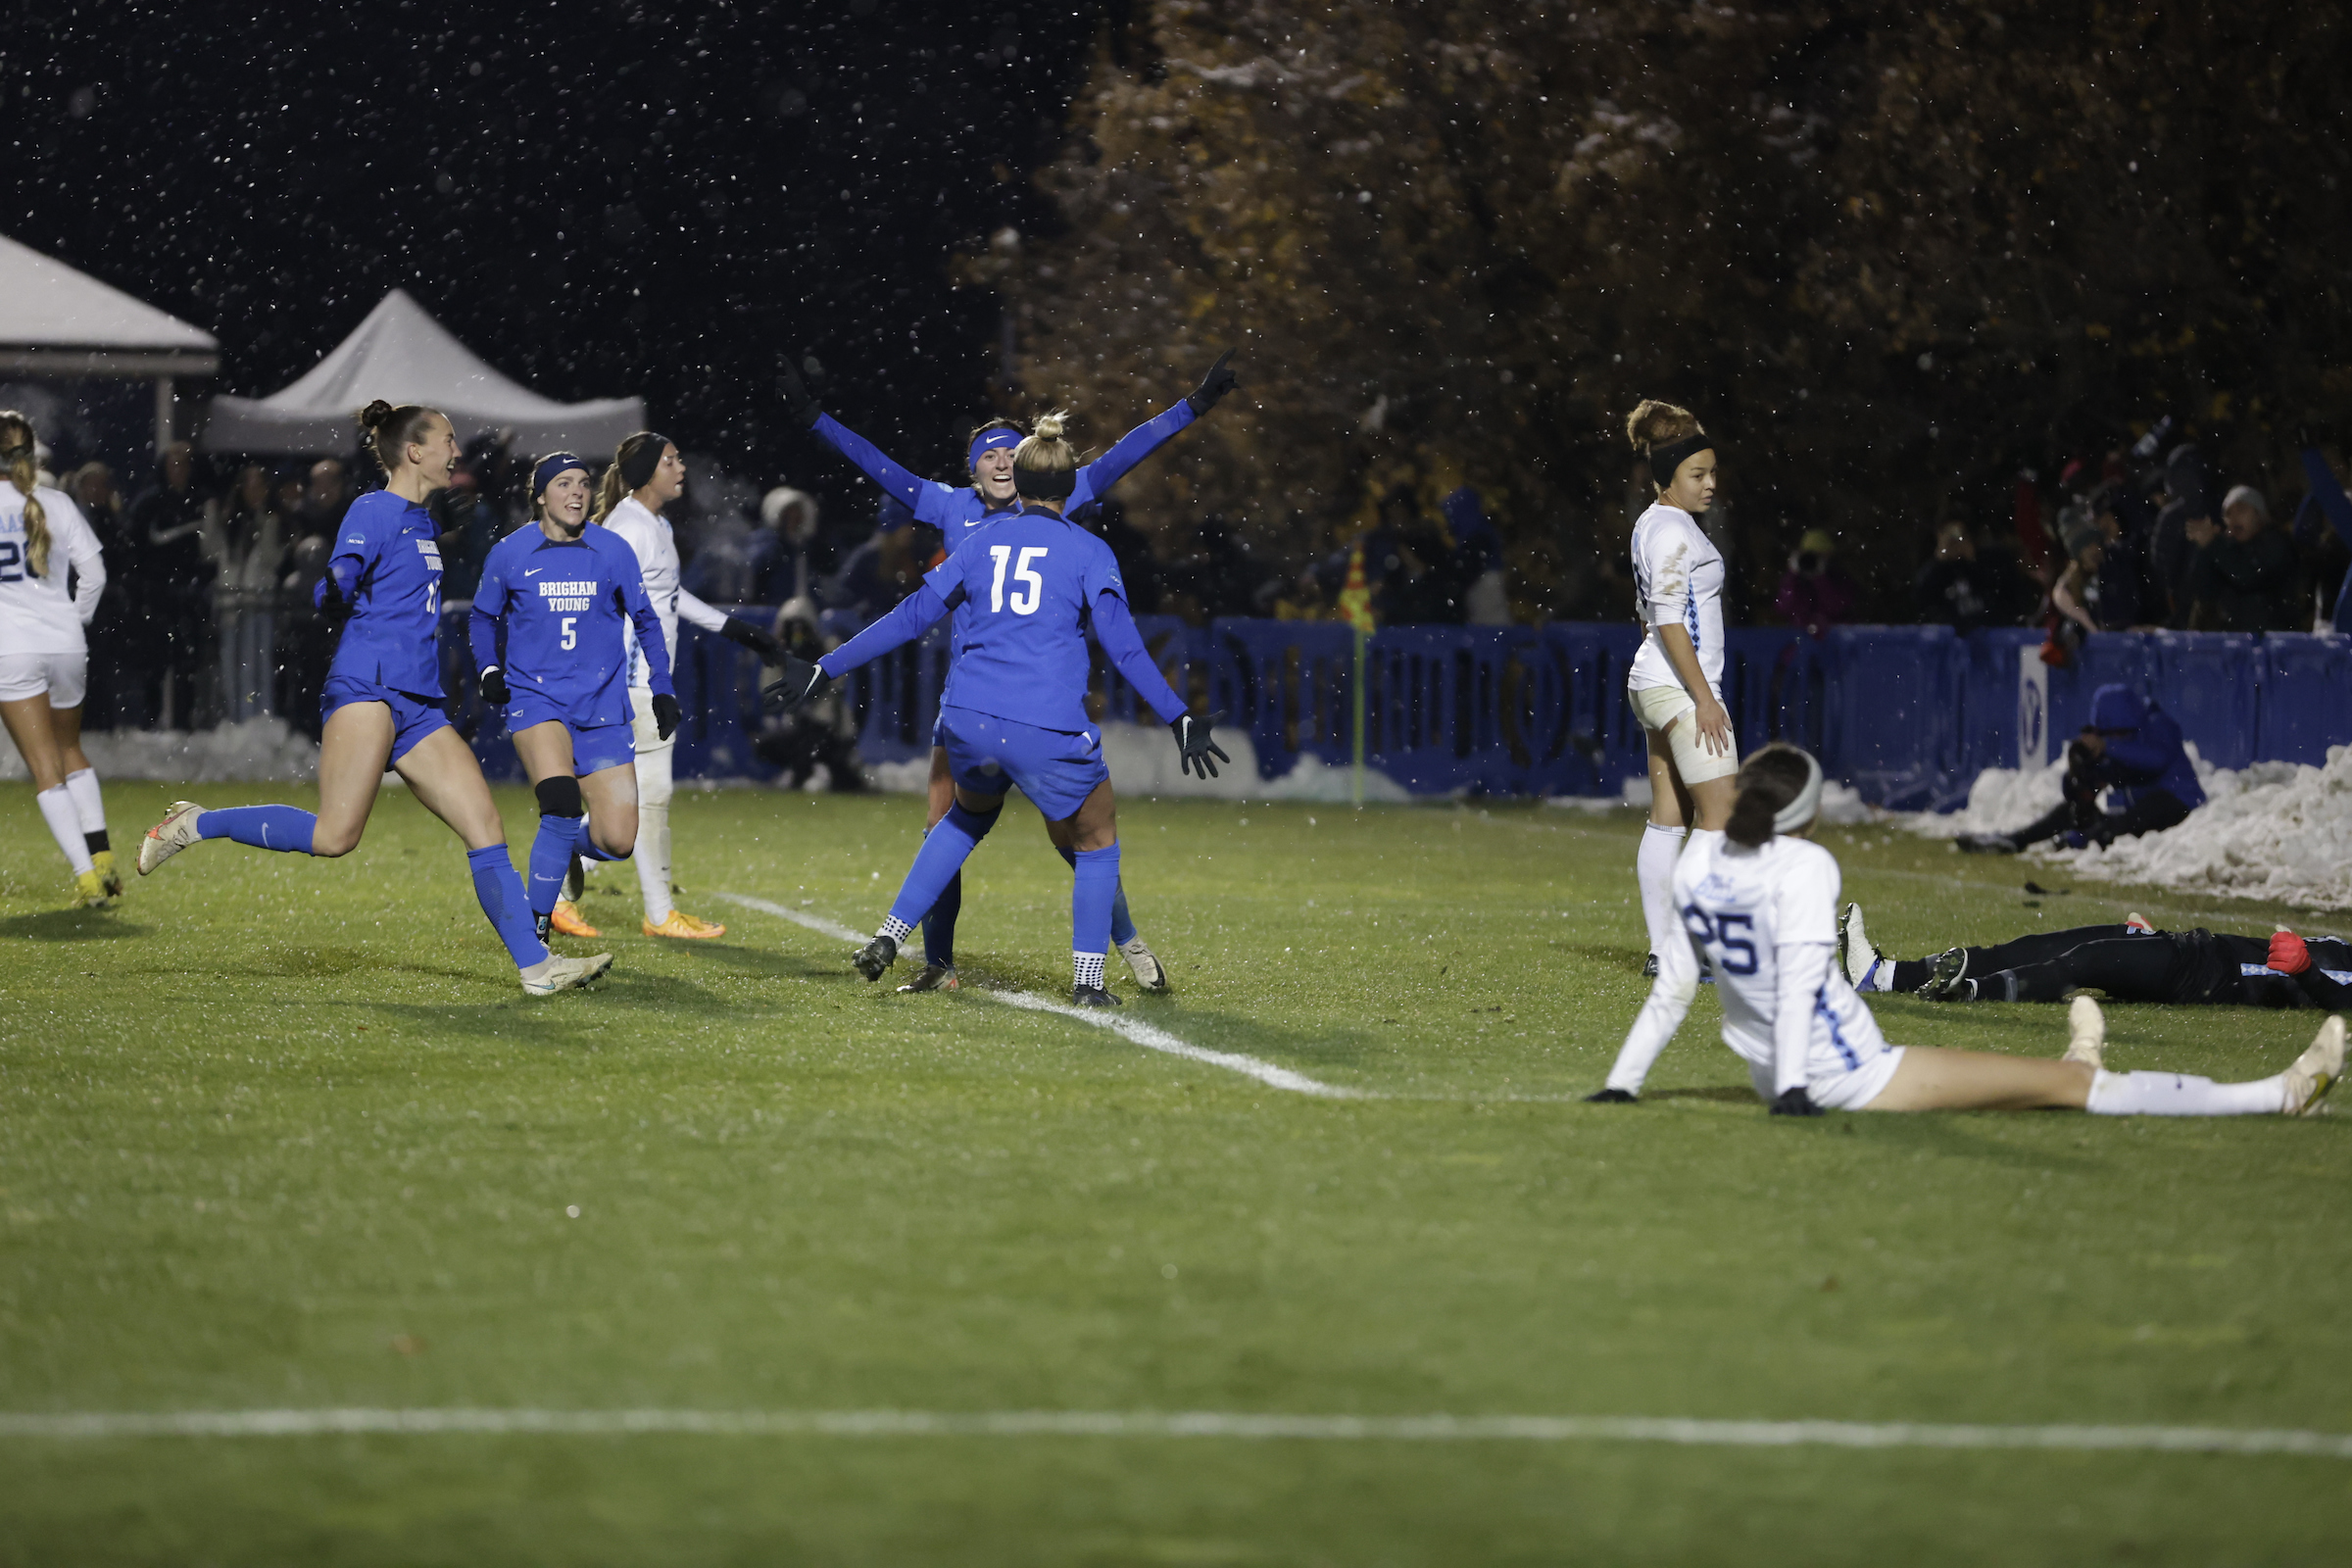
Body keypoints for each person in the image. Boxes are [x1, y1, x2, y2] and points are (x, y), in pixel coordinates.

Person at [778, 349, 1237, 993]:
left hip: (978, 709)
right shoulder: (962, 509)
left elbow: (1130, 450)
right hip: (1026, 709)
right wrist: (818, 422)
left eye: (1007, 451)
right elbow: (878, 465)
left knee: (1004, 830)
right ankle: (945, 964)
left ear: (1022, 470)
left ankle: (1122, 938)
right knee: (1040, 831)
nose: (999, 459)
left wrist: (1191, 406)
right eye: (988, 453)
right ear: (975, 471)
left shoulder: (1008, 523)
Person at [136, 401, 610, 998]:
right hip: (368, 688)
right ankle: (196, 824)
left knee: (486, 827)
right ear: (414, 452)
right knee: (335, 836)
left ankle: (537, 969)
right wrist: (332, 589)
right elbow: (337, 578)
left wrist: (459, 530)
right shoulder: (374, 508)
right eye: (446, 440)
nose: (455, 451)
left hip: (419, 703)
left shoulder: (419, 517)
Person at [1589, 743, 2342, 1116]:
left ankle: (2076, 1053)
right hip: (1852, 1069)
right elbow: (1796, 992)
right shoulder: (1808, 869)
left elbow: (1676, 988)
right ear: (1809, 817)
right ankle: (2274, 1094)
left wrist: (1621, 1086)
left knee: (2041, 1058)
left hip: (1791, 1067)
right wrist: (1793, 1091)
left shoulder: (1698, 867)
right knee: (2073, 1089)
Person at [573, 430, 779, 941]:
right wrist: (616, 679)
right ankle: (652, 909)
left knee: (645, 797)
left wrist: (733, 629)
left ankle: (579, 875)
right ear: (646, 473)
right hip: (631, 682)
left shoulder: (654, 524)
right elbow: (605, 604)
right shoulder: (630, 527)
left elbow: (668, 595)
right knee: (641, 799)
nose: (681, 467)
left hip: (648, 680)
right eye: (670, 460)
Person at [473, 453, 674, 942]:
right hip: (537, 701)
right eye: (563, 484)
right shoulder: (509, 552)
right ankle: (535, 928)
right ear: (541, 495)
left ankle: (567, 850)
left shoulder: (612, 550)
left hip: (603, 707)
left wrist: (663, 689)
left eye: (583, 483)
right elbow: (482, 617)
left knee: (617, 839)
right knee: (561, 802)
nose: (577, 493)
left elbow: (647, 621)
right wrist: (489, 669)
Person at [1623, 399, 1736, 980]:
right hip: (1678, 689)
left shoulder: (1652, 522)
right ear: (1667, 477)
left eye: (1713, 472)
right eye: (1698, 474)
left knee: (1671, 817)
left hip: (1653, 684)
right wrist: (1705, 698)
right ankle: (1686, 949)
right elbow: (1668, 618)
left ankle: (1663, 950)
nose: (1710, 484)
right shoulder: (1672, 529)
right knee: (1724, 816)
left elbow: (1647, 611)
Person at [0, 412, 117, 906]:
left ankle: (87, 879)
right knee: (70, 750)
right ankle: (105, 858)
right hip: (67, 642)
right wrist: (76, 620)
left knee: (45, 766)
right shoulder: (58, 502)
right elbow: (96, 576)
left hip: (12, 647)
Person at [1838, 906, 2352, 1010]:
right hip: (2192, 947)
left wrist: (2305, 969)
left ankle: (1967, 992)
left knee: (2081, 962)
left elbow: (2341, 1001)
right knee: (2039, 946)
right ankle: (1883, 976)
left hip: (2204, 976)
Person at [1957, 683, 2203, 855]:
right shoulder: (2113, 747)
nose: (2116, 738)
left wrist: (2108, 746)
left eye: (2120, 733)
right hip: (2135, 817)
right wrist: (2079, 770)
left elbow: (2155, 760)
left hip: (2180, 807)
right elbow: (2078, 791)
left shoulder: (2159, 725)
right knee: (2072, 811)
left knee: (2139, 813)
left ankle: (2084, 840)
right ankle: (2015, 839)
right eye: (2110, 735)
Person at [126, 440, 211, 728]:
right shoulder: (148, 504)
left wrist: (198, 585)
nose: (179, 469)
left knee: (186, 665)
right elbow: (134, 552)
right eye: (174, 464)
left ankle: (182, 727)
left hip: (187, 596)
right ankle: (150, 725)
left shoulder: (201, 503)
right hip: (156, 596)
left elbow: (210, 554)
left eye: (185, 463)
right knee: (153, 664)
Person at [204, 463, 289, 723]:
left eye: (259, 486)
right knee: (231, 666)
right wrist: (211, 515)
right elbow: (209, 551)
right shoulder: (229, 521)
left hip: (260, 602)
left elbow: (272, 559)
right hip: (232, 602)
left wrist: (267, 524)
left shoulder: (275, 519)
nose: (254, 492)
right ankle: (238, 718)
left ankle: (260, 717)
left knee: (258, 665)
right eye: (249, 486)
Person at [2185, 484, 2300, 631]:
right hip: (2235, 642)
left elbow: (2248, 575)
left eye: (2241, 510)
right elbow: (2204, 591)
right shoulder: (2226, 548)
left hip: (2275, 641)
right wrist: (2204, 549)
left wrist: (2212, 544)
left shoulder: (2275, 543)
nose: (2234, 519)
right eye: (2228, 514)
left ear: (2259, 515)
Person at [1774, 528, 1854, 637]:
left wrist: (1820, 578)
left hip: (1833, 640)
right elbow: (1783, 607)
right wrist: (1793, 573)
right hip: (1800, 639)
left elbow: (1838, 607)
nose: (1814, 559)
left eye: (1820, 556)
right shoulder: (1795, 580)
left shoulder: (1839, 578)